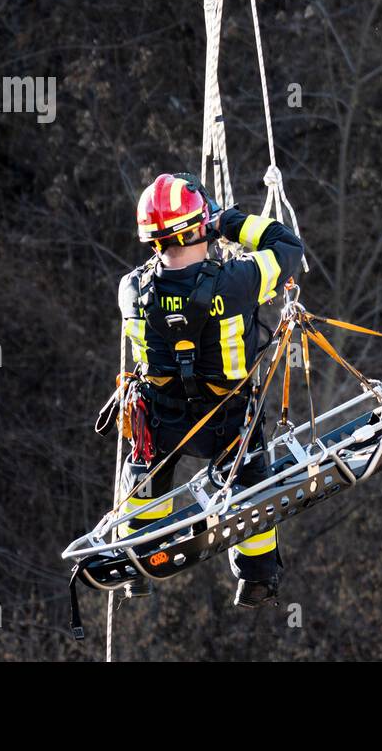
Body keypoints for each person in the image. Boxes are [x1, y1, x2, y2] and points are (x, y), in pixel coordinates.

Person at [116, 171, 304, 608]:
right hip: (229, 418)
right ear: (201, 225)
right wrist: (229, 222)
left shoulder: (131, 289)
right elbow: (288, 247)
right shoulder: (240, 280)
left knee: (144, 477)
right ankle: (257, 578)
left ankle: (136, 569)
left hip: (162, 418)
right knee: (250, 483)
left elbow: (165, 286)